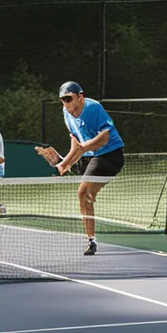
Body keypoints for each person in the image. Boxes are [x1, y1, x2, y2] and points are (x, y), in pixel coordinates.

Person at [37, 82, 125, 256]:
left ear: (80, 97)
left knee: (82, 193)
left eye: (69, 99)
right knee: (85, 192)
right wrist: (63, 163)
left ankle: (87, 192)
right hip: (89, 156)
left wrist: (82, 149)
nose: (66, 103)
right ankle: (91, 240)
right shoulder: (66, 113)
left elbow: (104, 138)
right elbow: (76, 143)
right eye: (63, 100)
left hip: (110, 155)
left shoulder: (94, 108)